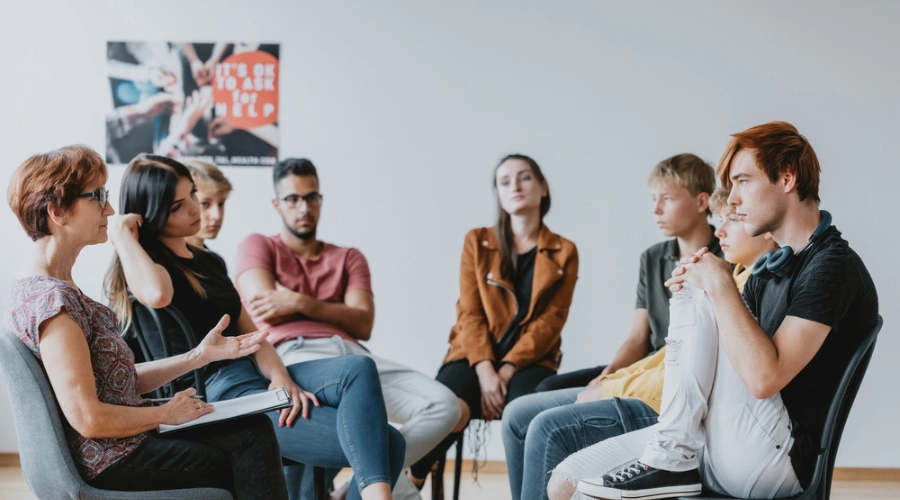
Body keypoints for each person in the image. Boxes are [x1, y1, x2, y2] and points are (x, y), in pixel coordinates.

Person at [554, 122, 879, 500]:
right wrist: (703, 286)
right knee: (567, 481)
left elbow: (763, 379)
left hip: (777, 458)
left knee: (706, 284)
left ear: (787, 178)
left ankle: (673, 453)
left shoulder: (831, 265)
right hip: (725, 437)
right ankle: (673, 450)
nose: (733, 200)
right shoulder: (770, 269)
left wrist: (717, 285)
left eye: (743, 181)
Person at [104, 154, 405, 500]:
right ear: (152, 216)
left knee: (358, 367)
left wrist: (280, 378)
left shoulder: (210, 261)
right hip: (220, 398)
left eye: (191, 195)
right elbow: (157, 294)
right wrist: (122, 236)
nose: (194, 209)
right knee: (389, 444)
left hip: (254, 379)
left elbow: (252, 333)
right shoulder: (147, 270)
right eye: (177, 206)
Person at [6, 145, 287, 498]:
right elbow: (88, 417)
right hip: (112, 459)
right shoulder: (52, 301)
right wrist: (165, 413)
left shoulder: (55, 288)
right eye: (98, 197)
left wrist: (199, 356)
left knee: (252, 430)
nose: (110, 208)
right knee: (248, 447)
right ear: (58, 210)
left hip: (122, 445)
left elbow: (116, 383)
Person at [501, 187, 776, 499]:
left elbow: (693, 372)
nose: (720, 229)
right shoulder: (719, 274)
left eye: (732, 219)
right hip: (653, 387)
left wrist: (609, 388)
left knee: (545, 428)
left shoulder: (733, 284)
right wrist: (611, 377)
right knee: (518, 414)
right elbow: (660, 350)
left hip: (668, 406)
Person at [235, 158, 460, 500]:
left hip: (356, 354)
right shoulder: (258, 245)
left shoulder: (348, 257)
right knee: (387, 461)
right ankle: (379, 485)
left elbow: (363, 323)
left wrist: (299, 302)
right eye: (293, 199)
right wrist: (334, 310)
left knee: (446, 405)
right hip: (298, 355)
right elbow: (263, 302)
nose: (304, 207)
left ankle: (353, 486)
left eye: (312, 197)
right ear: (277, 205)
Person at [407, 154, 579, 488]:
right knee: (447, 406)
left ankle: (527, 494)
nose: (514, 186)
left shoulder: (564, 251)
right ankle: (412, 478)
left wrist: (508, 368)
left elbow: (551, 322)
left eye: (525, 177)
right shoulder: (477, 241)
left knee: (527, 414)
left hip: (532, 360)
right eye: (504, 181)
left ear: (543, 188)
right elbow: (469, 312)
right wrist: (486, 370)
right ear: (498, 195)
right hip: (472, 353)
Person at [536, 154, 720, 393]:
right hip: (646, 363)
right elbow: (637, 338)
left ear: (701, 202)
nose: (656, 209)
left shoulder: (728, 255)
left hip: (678, 371)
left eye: (667, 199)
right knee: (548, 387)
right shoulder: (651, 258)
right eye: (654, 199)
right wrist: (608, 375)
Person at [182, 158, 232, 249]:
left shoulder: (214, 261)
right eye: (204, 204)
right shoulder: (157, 260)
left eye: (221, 204)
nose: (216, 216)